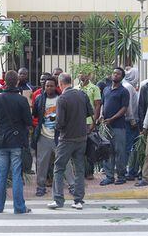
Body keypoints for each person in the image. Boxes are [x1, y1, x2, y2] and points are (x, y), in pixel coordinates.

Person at [47, 73, 93, 210]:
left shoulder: (62, 98)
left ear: (60, 84)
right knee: (79, 169)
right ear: (71, 82)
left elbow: (60, 123)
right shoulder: (82, 94)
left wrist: (54, 123)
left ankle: (58, 199)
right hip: (81, 137)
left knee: (59, 168)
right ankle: (78, 200)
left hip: (66, 139)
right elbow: (90, 111)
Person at [0, 70, 32, 214]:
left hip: (1, 140)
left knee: (1, 174)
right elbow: (28, 121)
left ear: (4, 81)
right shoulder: (22, 100)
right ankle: (19, 207)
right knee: (16, 175)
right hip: (17, 140)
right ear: (17, 82)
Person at [34, 77, 75, 197]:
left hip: (59, 136)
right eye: (47, 86)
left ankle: (72, 185)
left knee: (65, 162)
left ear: (56, 86)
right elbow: (35, 115)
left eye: (51, 86)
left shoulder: (61, 99)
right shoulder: (39, 99)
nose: (49, 88)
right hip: (43, 135)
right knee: (42, 163)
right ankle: (40, 186)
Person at [99, 67, 130, 186]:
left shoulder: (124, 91)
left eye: (118, 74)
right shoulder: (106, 90)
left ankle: (121, 176)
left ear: (122, 77)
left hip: (118, 126)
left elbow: (124, 109)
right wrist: (101, 115)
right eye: (114, 73)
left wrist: (112, 119)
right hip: (106, 126)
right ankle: (109, 176)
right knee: (107, 151)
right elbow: (102, 104)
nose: (115, 75)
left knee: (119, 152)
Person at [75, 71, 101, 180]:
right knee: (78, 148)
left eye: (84, 73)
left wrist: (93, 122)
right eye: (80, 73)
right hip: (77, 122)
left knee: (89, 147)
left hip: (89, 122)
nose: (82, 76)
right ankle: (79, 171)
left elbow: (97, 106)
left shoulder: (94, 88)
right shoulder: (75, 88)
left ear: (89, 75)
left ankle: (89, 172)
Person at [122, 74, 140, 180]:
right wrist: (132, 120)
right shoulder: (128, 86)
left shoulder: (127, 86)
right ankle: (128, 171)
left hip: (129, 120)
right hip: (130, 121)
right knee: (129, 147)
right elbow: (128, 105)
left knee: (131, 147)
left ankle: (130, 170)